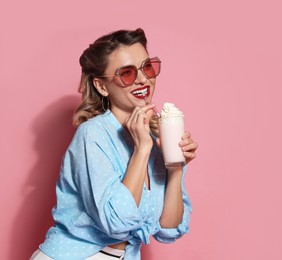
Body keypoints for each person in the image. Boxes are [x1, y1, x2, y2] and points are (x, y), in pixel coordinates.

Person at [30, 28, 198, 260]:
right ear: (101, 86)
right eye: (126, 73)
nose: (142, 79)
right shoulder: (93, 134)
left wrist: (176, 167)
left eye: (147, 67)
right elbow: (116, 223)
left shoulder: (156, 136)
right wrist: (141, 150)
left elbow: (168, 229)